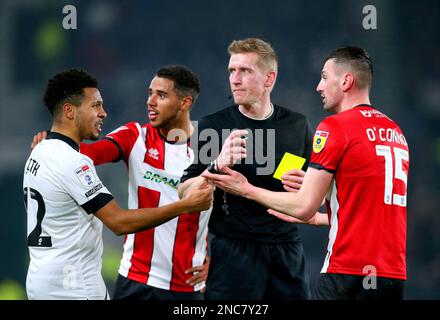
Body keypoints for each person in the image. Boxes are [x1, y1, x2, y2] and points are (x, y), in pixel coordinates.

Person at [202, 46, 409, 300]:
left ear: (346, 81)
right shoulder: (395, 132)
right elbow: (371, 209)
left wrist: (246, 189)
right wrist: (321, 217)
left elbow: (302, 207)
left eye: (324, 77)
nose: (318, 87)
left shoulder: (335, 127)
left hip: (348, 271)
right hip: (393, 275)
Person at [23, 68, 213, 300]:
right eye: (149, 93)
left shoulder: (209, 149)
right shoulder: (134, 137)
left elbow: (236, 209)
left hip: (187, 284)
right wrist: (56, 139)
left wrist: (219, 261)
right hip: (135, 279)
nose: (150, 102)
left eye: (161, 95)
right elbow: (89, 153)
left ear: (185, 102)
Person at [178, 38, 312, 299]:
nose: (235, 79)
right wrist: (216, 164)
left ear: (269, 79)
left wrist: (309, 184)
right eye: (232, 71)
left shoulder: (297, 126)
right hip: (233, 254)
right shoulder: (213, 126)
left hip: (286, 253)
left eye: (245, 71)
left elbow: (313, 192)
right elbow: (185, 192)